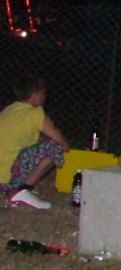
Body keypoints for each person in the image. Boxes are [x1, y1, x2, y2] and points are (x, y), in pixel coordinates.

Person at [0, 75, 69, 209]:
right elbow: (62, 143)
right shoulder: (35, 113)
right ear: (36, 94)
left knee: (41, 144)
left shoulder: (8, 110)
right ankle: (20, 191)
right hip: (6, 179)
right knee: (55, 147)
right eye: (43, 93)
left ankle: (13, 191)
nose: (45, 97)